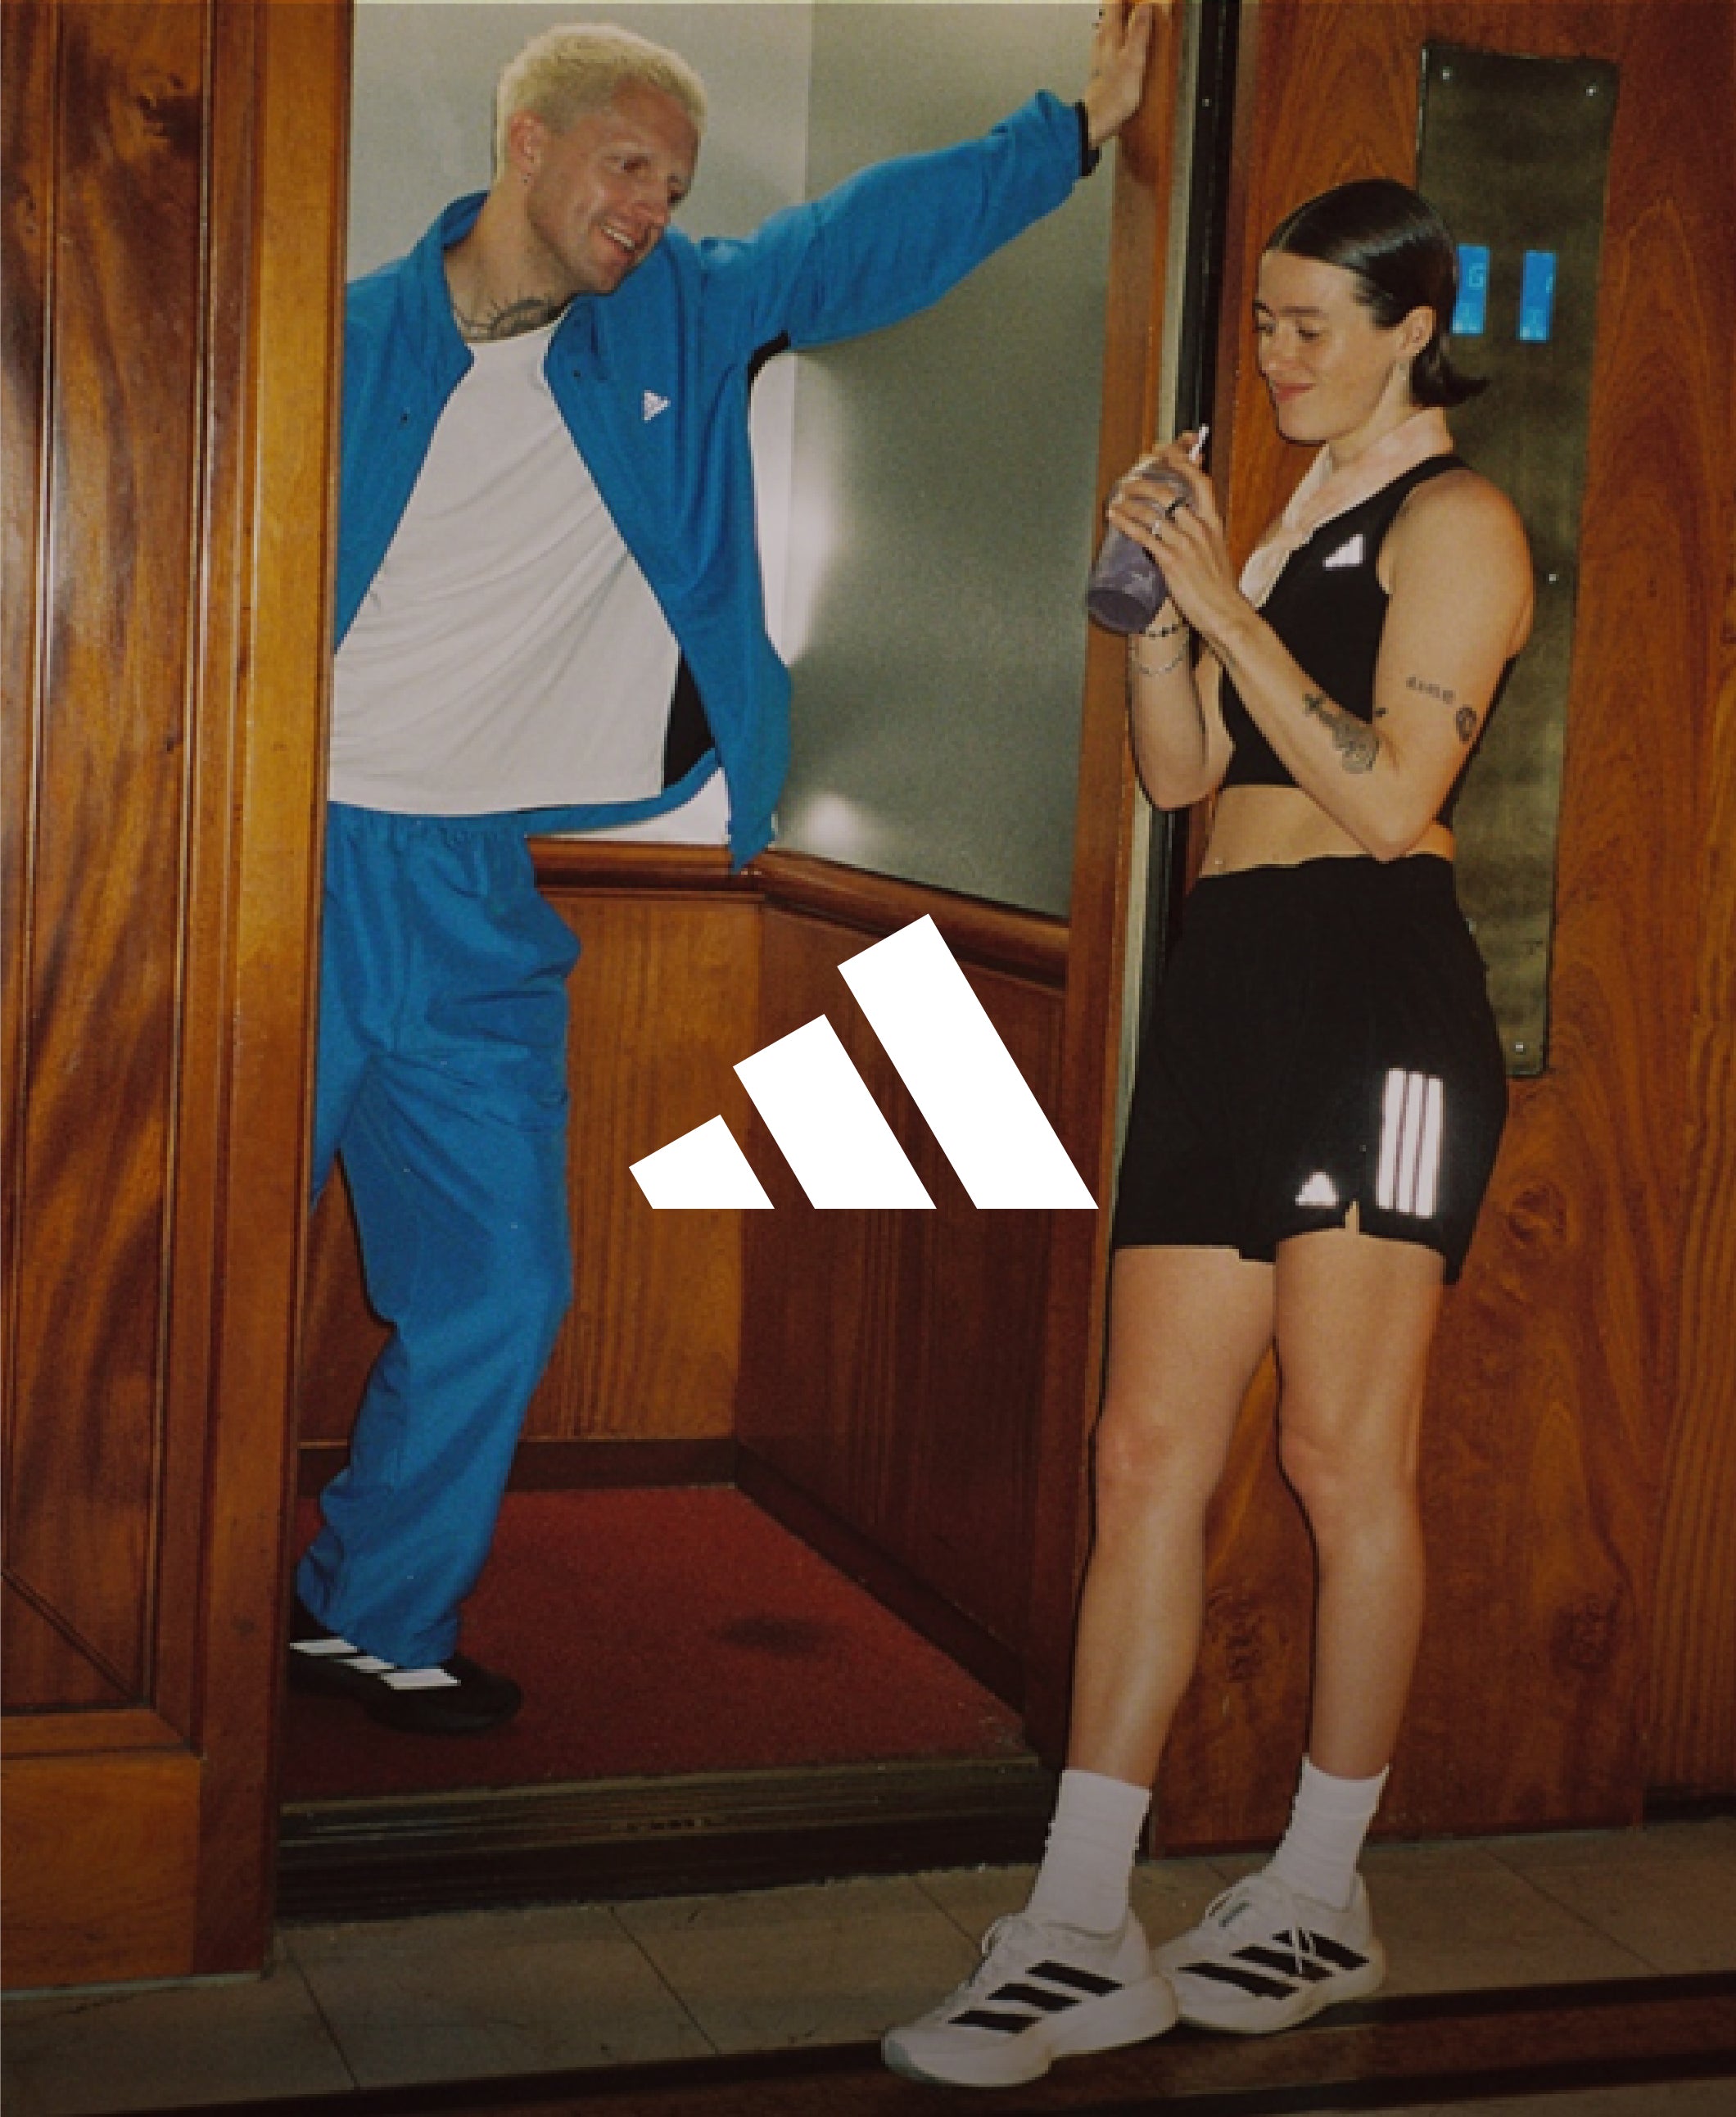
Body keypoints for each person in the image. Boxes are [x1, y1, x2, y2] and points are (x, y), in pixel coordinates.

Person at [287, 8, 1160, 1736]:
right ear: (524, 143)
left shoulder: (681, 316)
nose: (651, 210)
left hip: (475, 890)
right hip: (284, 865)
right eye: (627, 167)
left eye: (674, 187)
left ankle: (371, 1610)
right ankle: (111, 1639)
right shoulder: (340, 337)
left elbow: (855, 245)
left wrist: (1067, 134)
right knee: (200, 1270)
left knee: (502, 1283)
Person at [884, 179, 1532, 2088]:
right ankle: (1081, 1922)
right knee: (1142, 1449)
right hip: (1229, 988)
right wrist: (1160, 614)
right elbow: (1183, 782)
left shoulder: (1458, 522)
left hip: (1377, 1009)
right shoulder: (1288, 512)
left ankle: (1319, 1894)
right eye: (1260, 322)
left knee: (1340, 1456)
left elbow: (1393, 798)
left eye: (1312, 324)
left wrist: (1231, 600)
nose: (1275, 356)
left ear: (1414, 329)